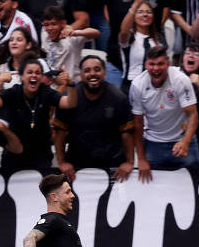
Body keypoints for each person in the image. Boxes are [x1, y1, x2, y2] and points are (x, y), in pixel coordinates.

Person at [52, 55, 137, 183]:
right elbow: (60, 132)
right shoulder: (70, 98)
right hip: (78, 165)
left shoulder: (118, 98)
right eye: (87, 70)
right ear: (80, 74)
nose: (92, 74)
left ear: (104, 73)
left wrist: (130, 162)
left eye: (97, 69)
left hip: (112, 164)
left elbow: (127, 133)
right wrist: (62, 162)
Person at [0, 56, 76, 170]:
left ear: (41, 77)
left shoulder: (46, 92)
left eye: (38, 73)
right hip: (15, 155)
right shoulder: (14, 92)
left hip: (41, 156)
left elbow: (70, 103)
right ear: (22, 76)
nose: (34, 75)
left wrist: (70, 84)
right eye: (29, 72)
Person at [129, 45, 198, 177]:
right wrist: (141, 158)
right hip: (153, 143)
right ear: (145, 65)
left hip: (182, 141)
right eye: (152, 64)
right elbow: (137, 124)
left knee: (192, 185)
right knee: (153, 191)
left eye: (160, 64)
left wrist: (186, 141)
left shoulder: (181, 80)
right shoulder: (137, 85)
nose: (156, 69)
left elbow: (192, 114)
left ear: (168, 63)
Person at [118, 0, 164, 93]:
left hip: (154, 88)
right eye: (140, 12)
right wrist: (135, 4)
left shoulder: (158, 40)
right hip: (131, 87)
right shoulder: (130, 37)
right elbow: (123, 31)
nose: (145, 15)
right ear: (134, 16)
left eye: (148, 12)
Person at [40, 6, 98, 84]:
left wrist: (74, 33)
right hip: (53, 85)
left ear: (63, 23)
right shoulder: (45, 34)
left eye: (54, 24)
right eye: (46, 25)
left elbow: (96, 33)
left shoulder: (72, 39)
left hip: (72, 84)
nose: (50, 28)